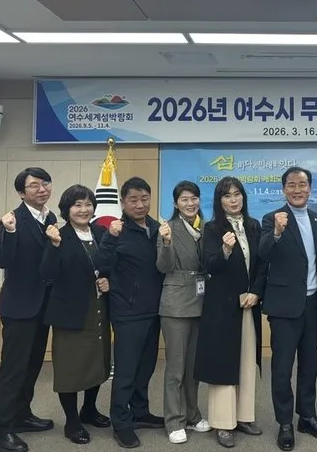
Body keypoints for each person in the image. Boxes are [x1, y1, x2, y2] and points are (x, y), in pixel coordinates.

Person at [259, 167, 317, 451]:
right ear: (284, 190)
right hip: (283, 305)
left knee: (310, 363)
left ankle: (307, 416)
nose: (297, 190)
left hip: (312, 303)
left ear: (310, 188)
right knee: (282, 367)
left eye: (302, 185)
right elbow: (263, 253)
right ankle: (284, 423)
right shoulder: (272, 218)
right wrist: (277, 232)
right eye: (291, 185)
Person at [195, 177, 268, 448]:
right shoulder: (212, 228)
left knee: (247, 360)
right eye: (227, 196)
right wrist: (225, 250)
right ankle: (224, 423)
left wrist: (256, 292)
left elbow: (262, 265)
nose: (233, 199)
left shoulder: (254, 225)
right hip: (222, 306)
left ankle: (244, 417)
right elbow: (209, 265)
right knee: (223, 362)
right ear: (219, 201)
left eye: (237, 194)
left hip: (249, 303)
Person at [0, 167, 57, 452]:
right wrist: (9, 231)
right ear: (21, 192)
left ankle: (21, 415)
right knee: (13, 369)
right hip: (19, 306)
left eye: (45, 184)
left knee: (32, 365)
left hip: (43, 306)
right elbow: (2, 260)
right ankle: (0, 431)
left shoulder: (50, 218)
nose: (42, 189)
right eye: (34, 185)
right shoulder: (12, 220)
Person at [40, 184, 112, 445]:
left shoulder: (101, 232)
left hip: (99, 309)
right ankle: (72, 421)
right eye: (77, 205)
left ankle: (89, 409)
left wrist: (108, 280)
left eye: (88, 204)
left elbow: (110, 264)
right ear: (66, 209)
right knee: (70, 368)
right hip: (70, 312)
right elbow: (46, 274)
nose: (84, 210)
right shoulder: (58, 236)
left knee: (98, 361)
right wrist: (54, 245)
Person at [97, 177, 165, 449]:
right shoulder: (116, 231)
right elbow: (101, 263)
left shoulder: (157, 228)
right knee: (125, 371)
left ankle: (140, 411)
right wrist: (111, 238)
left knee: (146, 367)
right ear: (122, 202)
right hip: (127, 311)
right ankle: (121, 422)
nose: (140, 205)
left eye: (144, 199)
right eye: (133, 200)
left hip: (155, 310)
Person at [156, 181, 212, 444]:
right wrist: (166, 242)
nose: (190, 203)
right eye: (184, 199)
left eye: (194, 198)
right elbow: (163, 267)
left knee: (193, 367)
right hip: (176, 304)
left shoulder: (205, 227)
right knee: (176, 368)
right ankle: (174, 420)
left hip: (201, 302)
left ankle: (192, 414)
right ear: (176, 203)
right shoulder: (168, 228)